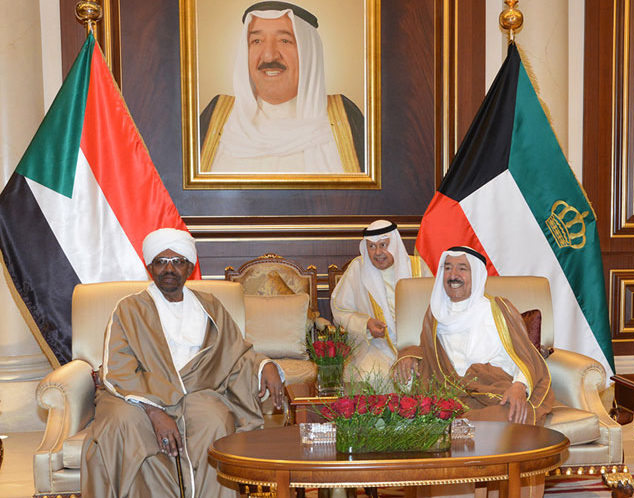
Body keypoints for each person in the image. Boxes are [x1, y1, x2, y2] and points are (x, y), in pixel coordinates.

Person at [81, 228, 284, 498]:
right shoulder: (129, 309)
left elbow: (234, 353)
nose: (169, 269)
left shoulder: (210, 307)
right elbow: (118, 369)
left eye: (177, 261)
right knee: (123, 424)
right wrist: (155, 412)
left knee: (216, 419)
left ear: (190, 266)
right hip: (138, 397)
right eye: (161, 261)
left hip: (195, 392)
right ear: (150, 267)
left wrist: (265, 365)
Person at [394, 246, 554, 498]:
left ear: (476, 275)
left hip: (497, 390)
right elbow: (430, 352)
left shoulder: (498, 309)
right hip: (451, 394)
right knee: (438, 426)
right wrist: (410, 354)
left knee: (511, 418)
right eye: (448, 268)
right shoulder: (435, 313)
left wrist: (519, 386)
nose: (453, 275)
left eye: (462, 268)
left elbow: (525, 355)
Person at [200, 1, 364, 174]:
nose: (269, 55)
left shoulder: (345, 119)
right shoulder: (216, 118)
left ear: (308, 53)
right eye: (257, 41)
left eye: (285, 41)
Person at [331, 220, 431, 384]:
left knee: (423, 375)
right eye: (371, 246)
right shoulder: (358, 269)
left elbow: (434, 310)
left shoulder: (418, 268)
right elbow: (340, 309)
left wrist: (414, 350)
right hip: (376, 345)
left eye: (383, 245)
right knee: (371, 376)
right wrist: (365, 323)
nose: (377, 252)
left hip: (417, 346)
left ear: (394, 244)